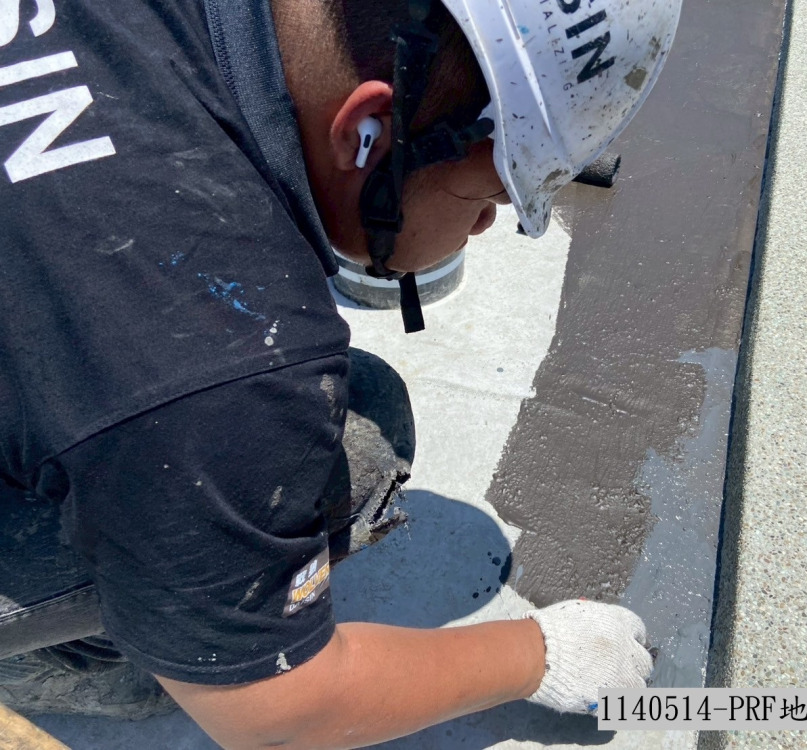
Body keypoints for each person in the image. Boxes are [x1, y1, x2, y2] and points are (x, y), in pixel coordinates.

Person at [0, 0, 682, 746]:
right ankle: (53, 663)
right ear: (367, 134)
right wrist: (540, 656)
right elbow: (283, 716)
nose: (486, 224)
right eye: (491, 196)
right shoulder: (222, 369)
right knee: (356, 444)